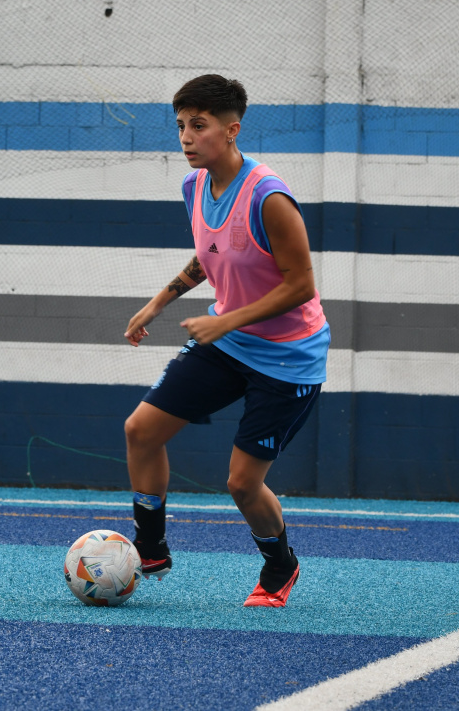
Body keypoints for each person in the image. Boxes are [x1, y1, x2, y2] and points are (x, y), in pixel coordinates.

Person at [123, 74, 329, 607]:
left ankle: (280, 564)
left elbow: (301, 286)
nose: (186, 138)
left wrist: (226, 321)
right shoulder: (194, 188)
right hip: (230, 341)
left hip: (287, 358)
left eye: (199, 125)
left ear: (232, 130)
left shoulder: (269, 197)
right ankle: (150, 547)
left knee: (241, 484)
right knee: (141, 430)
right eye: (180, 126)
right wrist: (158, 301)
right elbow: (211, 253)